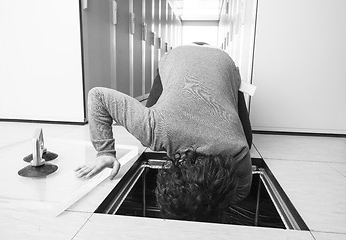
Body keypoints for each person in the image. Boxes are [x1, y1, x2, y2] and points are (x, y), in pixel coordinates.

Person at [75, 44, 252, 222]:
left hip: (223, 62)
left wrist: (105, 151)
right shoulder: (154, 129)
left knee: (247, 138)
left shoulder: (237, 148)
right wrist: (104, 153)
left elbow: (242, 190)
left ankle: (232, 80)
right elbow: (98, 96)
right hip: (186, 56)